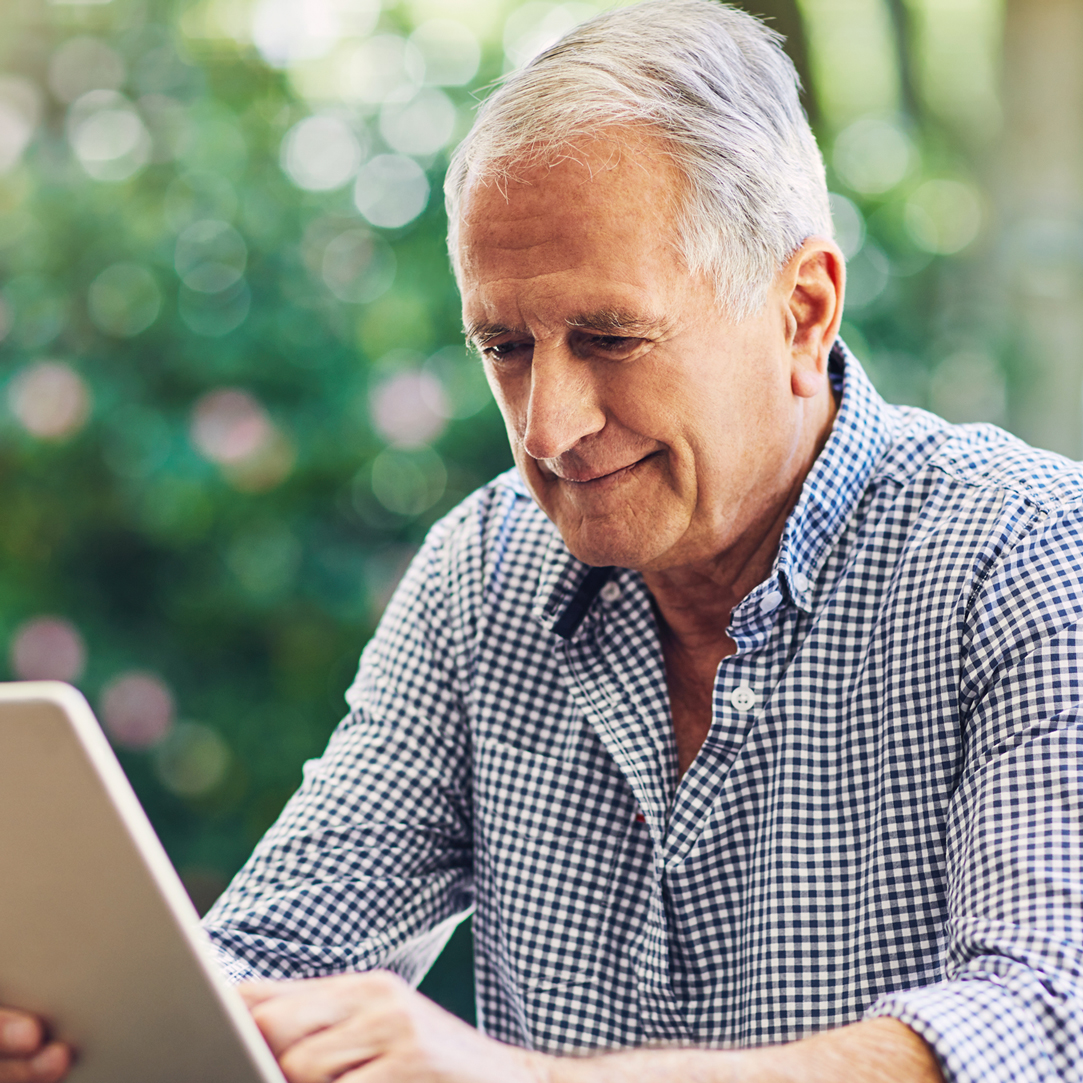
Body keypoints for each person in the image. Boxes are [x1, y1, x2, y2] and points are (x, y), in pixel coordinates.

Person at [4, 1, 1083, 1081]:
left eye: (610, 339)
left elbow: (1041, 1021)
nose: (546, 427)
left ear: (802, 312)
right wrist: (107, 1032)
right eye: (505, 346)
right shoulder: (484, 576)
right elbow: (273, 959)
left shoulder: (1028, 554)